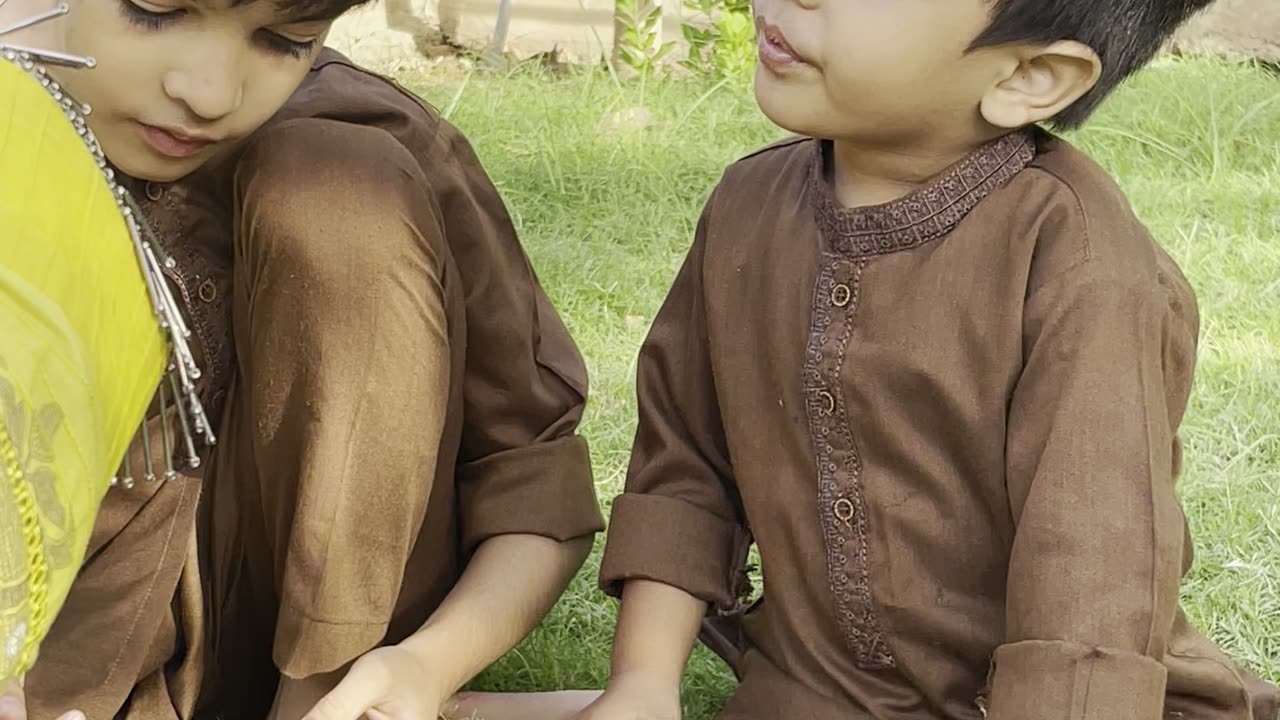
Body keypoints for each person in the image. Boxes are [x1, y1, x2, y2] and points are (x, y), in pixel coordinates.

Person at [578, 0, 1280, 719]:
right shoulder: (746, 208)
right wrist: (640, 687)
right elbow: (685, 470)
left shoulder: (1083, 267)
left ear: (1031, 75)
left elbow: (1092, 576)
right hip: (815, 697)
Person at [2, 0, 605, 718]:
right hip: (58, 669)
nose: (209, 93)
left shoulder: (357, 126)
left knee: (336, 188)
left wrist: (422, 667)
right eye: (155, 11)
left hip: (334, 674)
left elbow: (527, 485)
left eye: (283, 40)